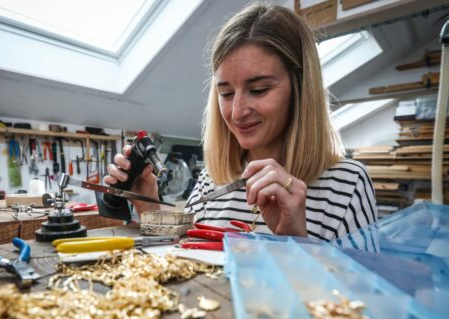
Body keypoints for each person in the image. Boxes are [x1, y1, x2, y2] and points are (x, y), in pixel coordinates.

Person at [105, 3, 377, 241]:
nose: (236, 113)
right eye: (225, 93)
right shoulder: (213, 177)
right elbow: (185, 255)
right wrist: (146, 201)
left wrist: (296, 243)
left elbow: (366, 297)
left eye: (258, 90)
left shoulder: (348, 184)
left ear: (301, 88)